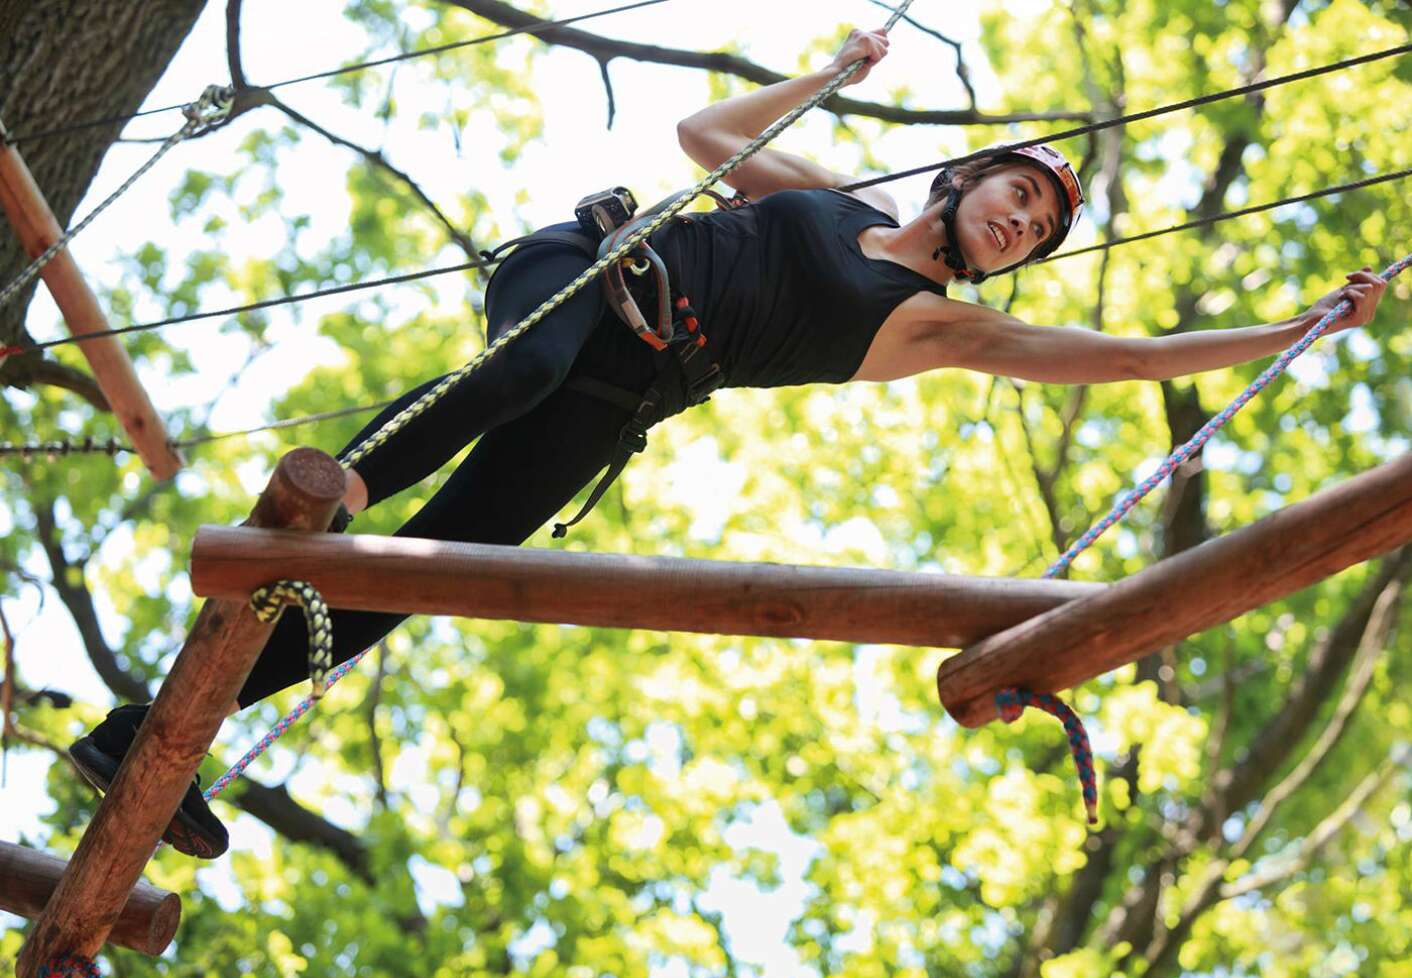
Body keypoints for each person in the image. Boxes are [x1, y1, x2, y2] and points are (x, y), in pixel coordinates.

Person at [70, 28, 1389, 858]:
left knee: (411, 585)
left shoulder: (941, 330)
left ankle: (144, 738)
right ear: (969, 179)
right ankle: (348, 481)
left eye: (1038, 229)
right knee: (518, 368)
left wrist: (1289, 330)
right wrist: (830, 74)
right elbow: (703, 139)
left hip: (625, 398)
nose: (1018, 225)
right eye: (1016, 194)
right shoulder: (834, 202)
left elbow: (1132, 361)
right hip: (594, 276)